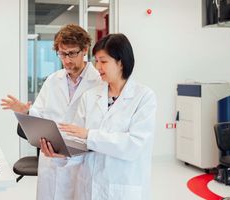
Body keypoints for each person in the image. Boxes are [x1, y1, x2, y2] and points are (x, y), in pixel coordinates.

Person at [0, 24, 101, 200]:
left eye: (72, 53)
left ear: (85, 49)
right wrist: (27, 111)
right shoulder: (53, 80)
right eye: (62, 54)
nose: (67, 60)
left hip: (82, 161)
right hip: (51, 158)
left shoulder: (99, 81)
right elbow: (40, 115)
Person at [58, 33, 157, 200]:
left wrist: (90, 135)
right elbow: (77, 139)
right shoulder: (90, 96)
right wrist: (62, 150)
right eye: (96, 61)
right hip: (88, 185)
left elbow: (133, 145)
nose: (98, 67)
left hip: (122, 185)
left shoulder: (144, 97)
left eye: (103, 61)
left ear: (120, 62)